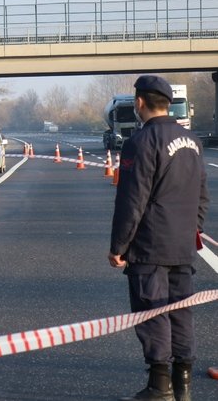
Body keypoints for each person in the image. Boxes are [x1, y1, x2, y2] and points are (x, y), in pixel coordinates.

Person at [109, 75, 209, 401]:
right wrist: (191, 229)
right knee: (181, 312)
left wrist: (119, 247)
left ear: (140, 102)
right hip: (182, 247)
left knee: (152, 314)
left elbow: (131, 201)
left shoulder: (140, 142)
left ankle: (159, 388)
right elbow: (202, 196)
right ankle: (184, 386)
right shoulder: (193, 141)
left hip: (149, 247)